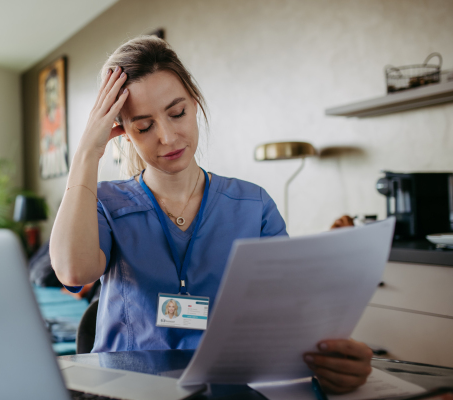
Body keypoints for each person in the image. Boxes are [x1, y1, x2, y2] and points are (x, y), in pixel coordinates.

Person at [50, 36, 373, 394]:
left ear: (195, 102)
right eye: (144, 126)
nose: (169, 137)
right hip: (127, 393)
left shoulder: (253, 204)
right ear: (123, 132)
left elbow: (291, 314)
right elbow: (73, 270)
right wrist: (85, 154)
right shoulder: (106, 202)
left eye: (177, 113)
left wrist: (334, 361)